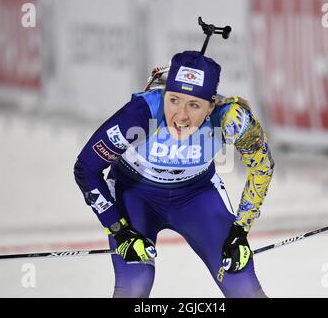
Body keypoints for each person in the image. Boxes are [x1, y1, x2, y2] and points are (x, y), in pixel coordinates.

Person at [73, 50, 274, 298]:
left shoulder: (231, 118)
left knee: (242, 286)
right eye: (174, 100)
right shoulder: (139, 114)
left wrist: (240, 231)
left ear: (211, 106)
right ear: (163, 94)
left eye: (194, 105)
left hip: (196, 197)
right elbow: (86, 168)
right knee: (136, 286)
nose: (181, 116)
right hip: (135, 194)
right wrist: (119, 230)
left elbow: (262, 166)